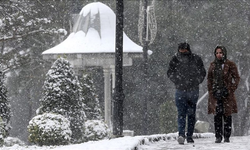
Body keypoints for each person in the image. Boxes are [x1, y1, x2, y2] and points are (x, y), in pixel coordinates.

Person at [167, 42, 206, 144]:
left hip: (190, 89)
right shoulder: (176, 59)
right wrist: (178, 81)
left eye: (184, 49)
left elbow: (202, 72)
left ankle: (187, 135)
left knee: (188, 114)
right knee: (185, 113)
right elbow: (170, 72)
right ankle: (183, 135)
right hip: (182, 89)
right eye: (181, 49)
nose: (183, 51)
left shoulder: (194, 59)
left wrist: (195, 81)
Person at [207, 45, 240, 143]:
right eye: (217, 53)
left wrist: (231, 89)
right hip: (216, 94)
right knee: (217, 115)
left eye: (220, 53)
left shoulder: (230, 64)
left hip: (227, 94)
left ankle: (227, 136)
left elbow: (237, 78)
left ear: (224, 53)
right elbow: (209, 78)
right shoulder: (213, 65)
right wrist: (211, 90)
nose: (219, 55)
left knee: (227, 115)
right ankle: (218, 136)